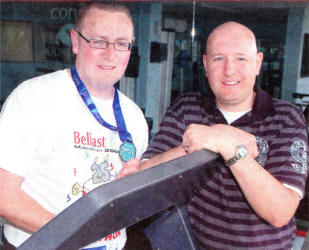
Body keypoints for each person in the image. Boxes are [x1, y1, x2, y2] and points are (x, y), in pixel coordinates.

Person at [121, 21, 309, 249]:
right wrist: (198, 144)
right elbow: (143, 176)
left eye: (241, 58)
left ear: (258, 63)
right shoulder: (186, 108)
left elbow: (279, 212)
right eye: (218, 58)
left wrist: (228, 145)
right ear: (205, 64)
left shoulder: (286, 118)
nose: (229, 70)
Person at [0, 2, 148, 249]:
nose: (111, 54)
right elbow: (3, 194)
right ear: (76, 42)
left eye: (122, 44)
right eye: (99, 41)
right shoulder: (32, 97)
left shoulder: (134, 116)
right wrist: (78, 232)